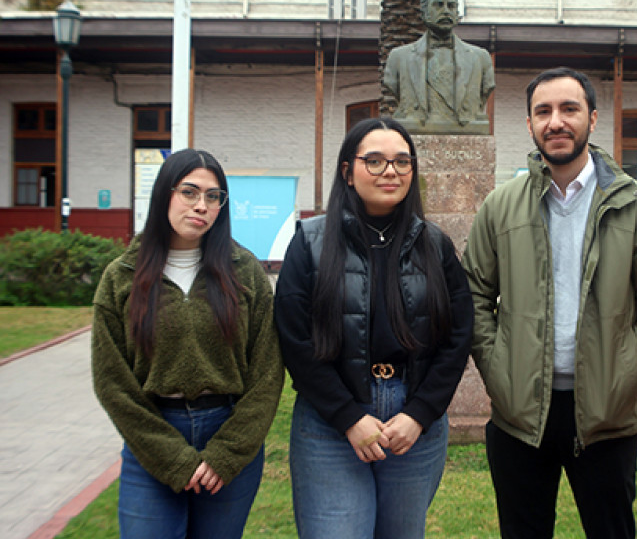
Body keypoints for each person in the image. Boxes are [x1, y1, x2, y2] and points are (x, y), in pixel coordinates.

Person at [462, 67, 637, 538]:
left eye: (569, 109)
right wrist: (499, 371)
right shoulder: (501, 206)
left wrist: (624, 377)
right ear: (529, 124)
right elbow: (474, 293)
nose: (556, 122)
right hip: (519, 416)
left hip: (605, 416)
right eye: (543, 111)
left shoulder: (636, 205)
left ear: (593, 118)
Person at [274, 117, 473, 538]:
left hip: (412, 421)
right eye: (376, 160)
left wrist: (419, 414)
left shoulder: (435, 244)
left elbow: (457, 337)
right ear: (348, 171)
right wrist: (348, 416)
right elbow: (295, 338)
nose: (391, 171)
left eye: (402, 162)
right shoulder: (310, 241)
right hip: (332, 419)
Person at [91, 148, 284, 539]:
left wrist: (227, 453)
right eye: (190, 192)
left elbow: (267, 372)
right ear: (165, 194)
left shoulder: (243, 270)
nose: (202, 205)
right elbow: (112, 382)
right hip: (153, 439)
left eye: (213, 197)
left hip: (228, 435)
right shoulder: (121, 276)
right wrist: (173, 458)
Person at [383, 0, 495, 135]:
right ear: (424, 12)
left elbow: (486, 89)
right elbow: (392, 86)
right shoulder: (399, 58)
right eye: (438, 5)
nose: (446, 11)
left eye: (451, 6)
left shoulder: (480, 58)